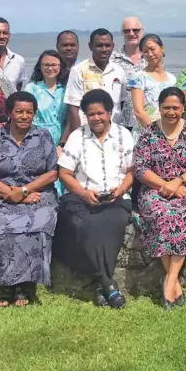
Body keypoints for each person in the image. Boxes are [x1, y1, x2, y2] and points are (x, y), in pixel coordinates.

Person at [56, 89, 134, 309]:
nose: (96, 118)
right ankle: (107, 284)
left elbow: (132, 171)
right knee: (85, 225)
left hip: (115, 197)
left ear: (109, 112)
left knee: (113, 223)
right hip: (81, 197)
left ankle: (101, 285)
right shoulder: (77, 136)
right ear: (85, 116)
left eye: (100, 113)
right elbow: (65, 174)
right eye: (91, 114)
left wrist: (120, 190)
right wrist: (83, 193)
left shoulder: (123, 135)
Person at [0, 91, 58, 307]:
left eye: (29, 112)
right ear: (10, 113)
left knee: (38, 224)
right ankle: (5, 287)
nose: (24, 116)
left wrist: (23, 191)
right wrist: (14, 195)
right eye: (19, 111)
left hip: (37, 195)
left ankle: (24, 286)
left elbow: (52, 173)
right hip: (1, 197)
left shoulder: (43, 136)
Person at [134, 87, 186, 310]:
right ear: (159, 108)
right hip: (154, 190)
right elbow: (140, 168)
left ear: (183, 109)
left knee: (185, 214)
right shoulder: (147, 133)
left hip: (184, 188)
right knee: (162, 215)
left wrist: (178, 182)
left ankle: (170, 281)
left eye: (176, 107)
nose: (171, 112)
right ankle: (175, 286)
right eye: (166, 107)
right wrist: (166, 185)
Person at [24, 50, 69, 195]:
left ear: (60, 66)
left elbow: (71, 118)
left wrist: (62, 144)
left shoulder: (67, 88)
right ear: (40, 67)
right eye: (46, 65)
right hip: (38, 138)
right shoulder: (32, 88)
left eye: (54, 65)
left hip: (62, 137)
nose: (50, 68)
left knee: (62, 175)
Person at [65, 28, 127, 131]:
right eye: (99, 45)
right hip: (87, 130)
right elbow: (73, 108)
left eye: (107, 45)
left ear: (113, 46)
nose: (104, 49)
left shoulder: (119, 71)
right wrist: (79, 136)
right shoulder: (78, 71)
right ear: (90, 46)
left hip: (113, 131)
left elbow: (121, 102)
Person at [127, 34, 176, 138]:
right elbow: (139, 111)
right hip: (147, 133)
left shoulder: (172, 79)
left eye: (152, 49)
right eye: (145, 51)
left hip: (169, 133)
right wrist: (158, 135)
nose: (150, 54)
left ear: (162, 49)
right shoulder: (138, 78)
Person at [112, 17, 147, 131]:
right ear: (122, 33)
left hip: (147, 122)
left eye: (135, 30)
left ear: (142, 31)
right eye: (127, 31)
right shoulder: (112, 59)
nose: (131, 34)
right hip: (120, 123)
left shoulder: (151, 58)